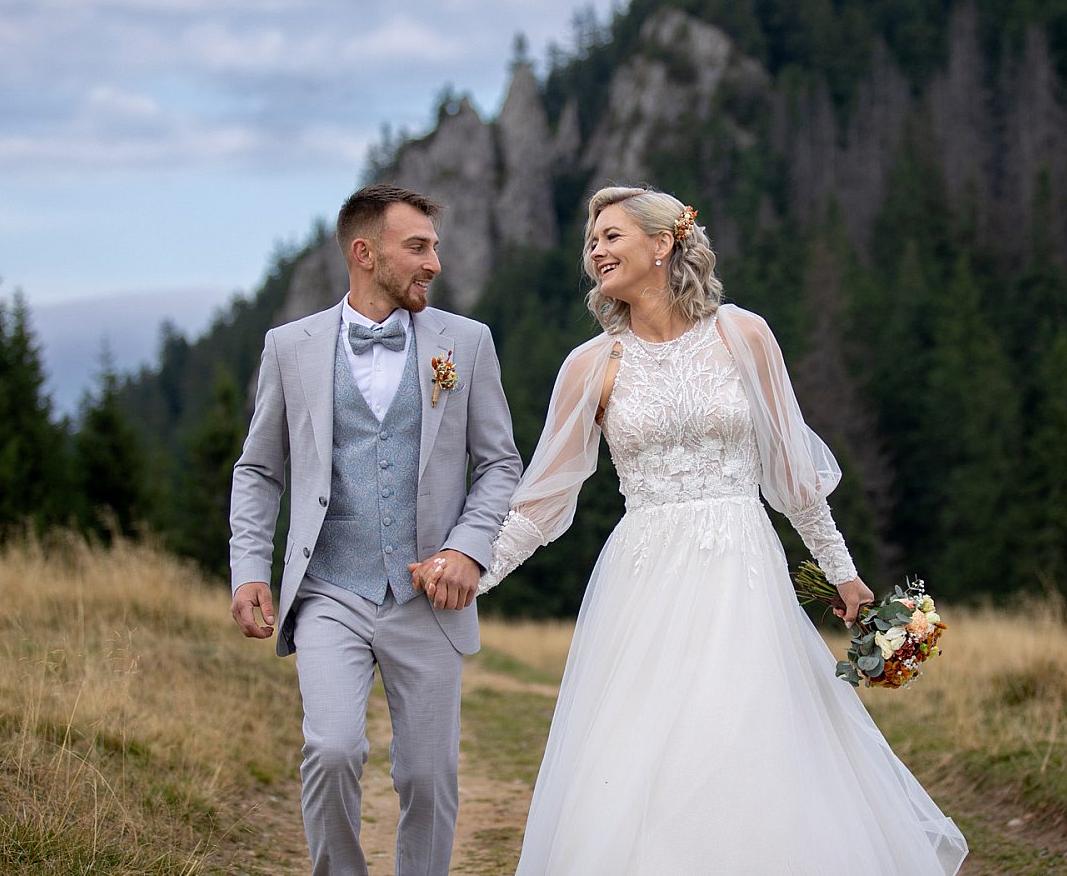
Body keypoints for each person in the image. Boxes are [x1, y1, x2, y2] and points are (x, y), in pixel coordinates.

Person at [477, 186, 968, 874]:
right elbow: (540, 503)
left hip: (741, 566)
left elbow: (794, 477)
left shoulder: (744, 335)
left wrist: (844, 574)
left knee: (744, 732)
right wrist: (473, 574)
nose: (595, 250)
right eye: (591, 241)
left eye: (611, 235)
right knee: (645, 749)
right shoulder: (591, 366)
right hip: (644, 578)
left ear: (663, 243)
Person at [229, 183, 522, 876]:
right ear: (365, 253)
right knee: (332, 749)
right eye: (417, 247)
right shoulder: (290, 347)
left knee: (427, 774)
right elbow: (260, 469)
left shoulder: (467, 343)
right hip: (330, 587)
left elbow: (500, 464)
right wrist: (249, 570)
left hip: (428, 597)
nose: (434, 263)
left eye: (435, 247)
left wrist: (466, 550)